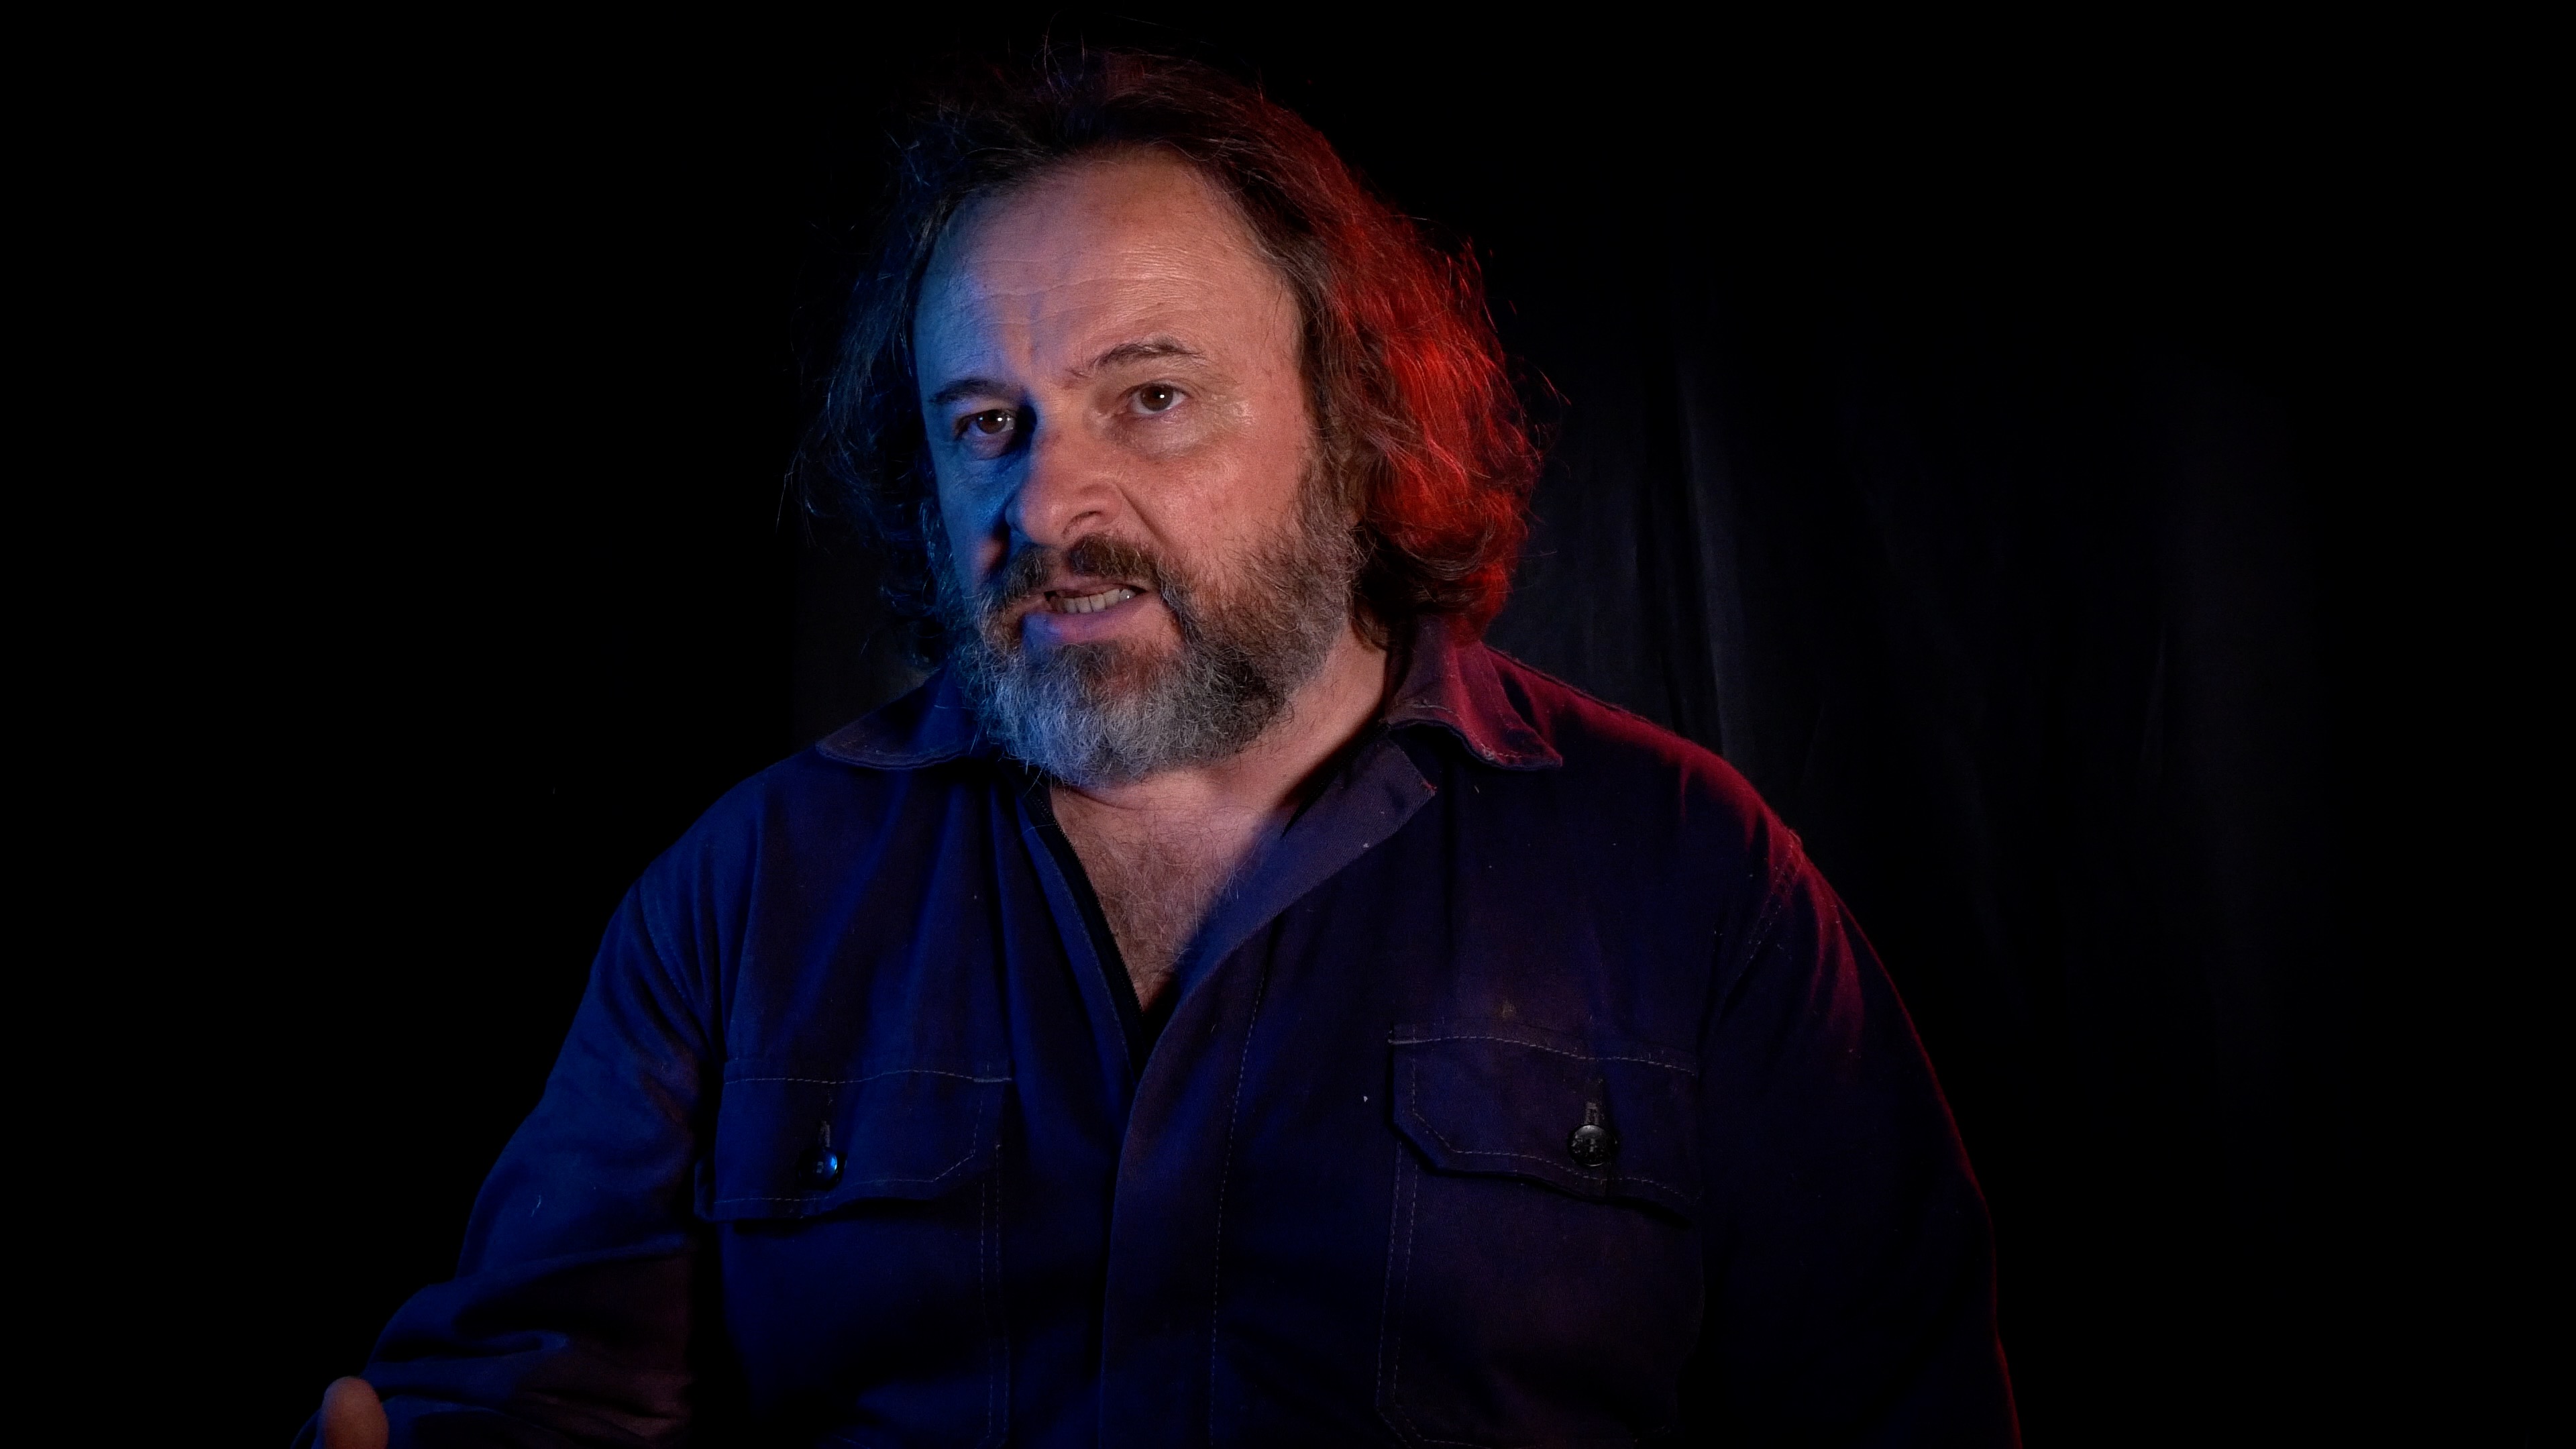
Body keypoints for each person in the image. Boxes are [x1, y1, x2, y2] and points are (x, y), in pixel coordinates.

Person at [309, 51, 2018, 1448]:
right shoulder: (749, 894)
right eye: (989, 423)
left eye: (1152, 397)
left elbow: (1896, 1414)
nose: (1051, 501)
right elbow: (539, 1394)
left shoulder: (1686, 879)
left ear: (1351, 425)